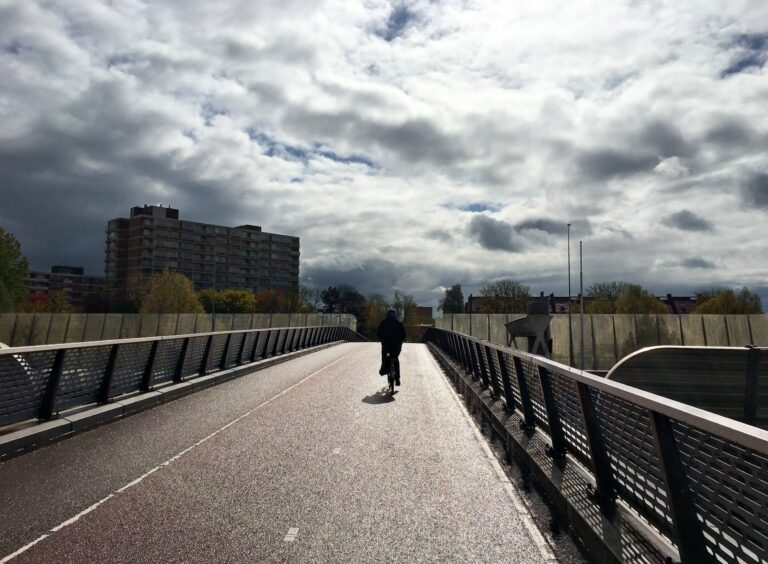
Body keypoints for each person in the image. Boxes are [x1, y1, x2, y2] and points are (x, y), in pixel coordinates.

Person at [377, 309, 406, 385]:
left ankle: (384, 370)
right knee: (395, 359)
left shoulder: (383, 323)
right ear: (395, 315)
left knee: (384, 357)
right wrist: (400, 341)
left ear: (387, 315)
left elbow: (378, 333)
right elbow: (404, 335)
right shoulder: (399, 323)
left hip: (386, 345)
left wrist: (382, 340)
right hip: (396, 346)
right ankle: (397, 379)